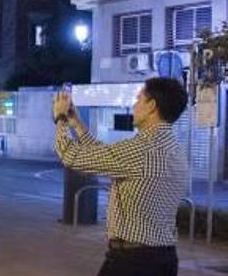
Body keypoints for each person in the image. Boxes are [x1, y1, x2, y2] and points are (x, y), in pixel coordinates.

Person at [52, 77, 189, 276]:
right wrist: (77, 124)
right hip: (165, 259)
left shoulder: (140, 149)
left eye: (138, 99)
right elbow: (108, 156)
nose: (134, 105)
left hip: (131, 263)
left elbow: (70, 156)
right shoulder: (175, 150)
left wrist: (61, 118)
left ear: (151, 106)